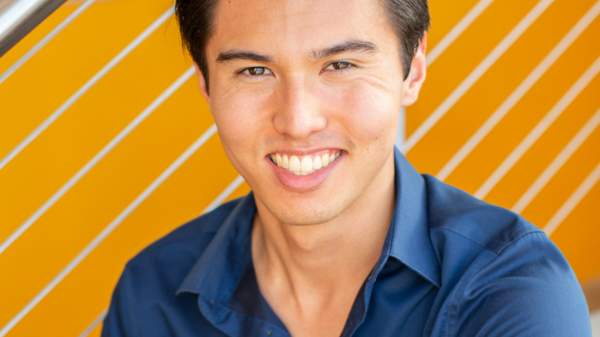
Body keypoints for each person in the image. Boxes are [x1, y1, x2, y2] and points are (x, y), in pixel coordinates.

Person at [102, 0, 592, 335]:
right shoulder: (152, 298)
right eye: (254, 71)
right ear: (207, 86)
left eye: (340, 65)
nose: (297, 120)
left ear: (412, 70)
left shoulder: (510, 294)